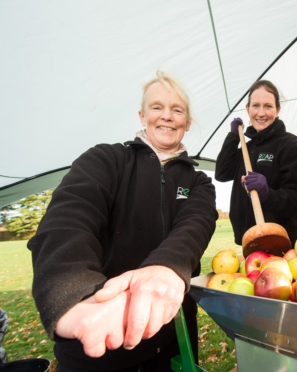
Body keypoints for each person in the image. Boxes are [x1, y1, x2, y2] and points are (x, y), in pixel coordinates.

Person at [28, 71, 218, 372]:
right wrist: (72, 290)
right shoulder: (106, 159)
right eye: (157, 107)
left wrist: (168, 267)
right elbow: (70, 215)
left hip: (172, 336)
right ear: (142, 116)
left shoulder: (198, 182)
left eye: (177, 110)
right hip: (102, 339)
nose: (167, 116)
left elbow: (196, 224)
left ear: (187, 122)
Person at [215, 80, 297, 249]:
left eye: (268, 106)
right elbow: (221, 173)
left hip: (282, 240)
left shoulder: (290, 145)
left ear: (278, 110)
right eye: (256, 106)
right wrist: (233, 137)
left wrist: (267, 194)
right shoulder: (246, 147)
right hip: (248, 239)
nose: (261, 113)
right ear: (247, 108)